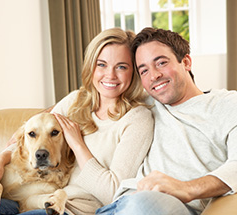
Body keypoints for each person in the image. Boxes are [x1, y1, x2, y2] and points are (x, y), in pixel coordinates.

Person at [0, 28, 154, 215]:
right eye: (101, 64)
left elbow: (113, 192)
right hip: (35, 199)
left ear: (134, 71)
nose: (110, 75)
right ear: (91, 67)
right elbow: (32, 134)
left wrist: (77, 144)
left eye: (121, 67)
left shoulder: (137, 119)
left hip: (74, 209)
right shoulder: (77, 100)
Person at [95, 27, 237, 215]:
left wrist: (187, 188)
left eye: (161, 63)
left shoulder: (227, 104)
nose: (154, 76)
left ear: (186, 62)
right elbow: (87, 97)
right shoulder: (145, 104)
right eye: (143, 70)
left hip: (167, 206)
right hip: (118, 205)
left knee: (144, 205)